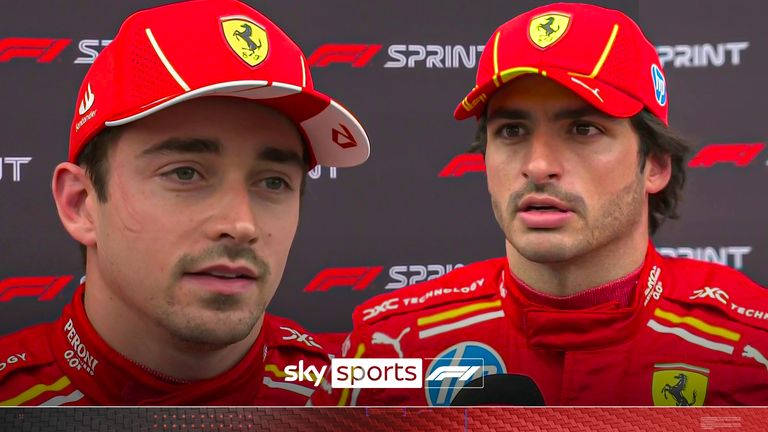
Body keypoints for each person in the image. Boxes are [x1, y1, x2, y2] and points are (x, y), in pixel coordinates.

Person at [311, 2, 767, 406]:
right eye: (512, 130)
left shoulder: (753, 347)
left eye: (583, 129)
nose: (539, 165)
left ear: (655, 166)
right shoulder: (390, 344)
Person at [0, 0, 369, 406]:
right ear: (81, 204)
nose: (241, 224)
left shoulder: (361, 395)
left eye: (273, 181)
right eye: (185, 173)